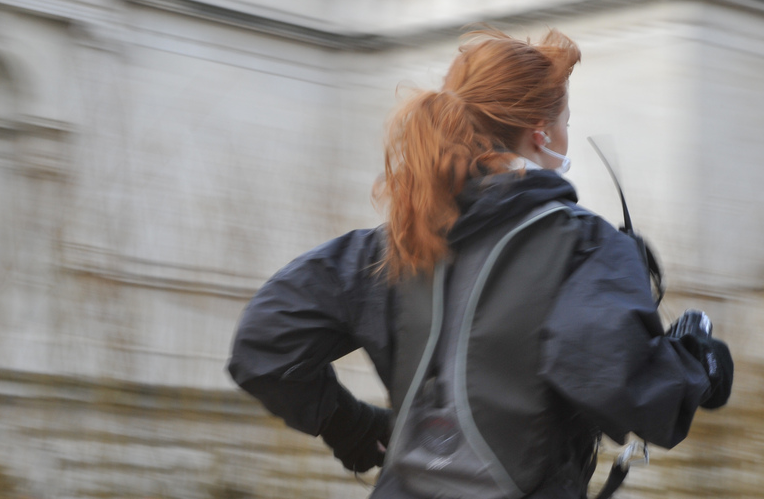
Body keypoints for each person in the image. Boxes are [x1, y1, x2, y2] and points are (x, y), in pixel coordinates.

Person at [226, 28, 733, 499]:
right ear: (541, 133)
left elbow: (263, 343)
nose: (566, 135)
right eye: (565, 122)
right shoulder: (585, 247)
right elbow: (631, 392)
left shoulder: (392, 245)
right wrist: (700, 363)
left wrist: (353, 428)